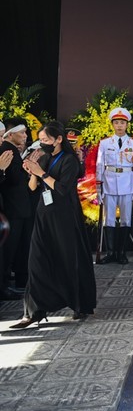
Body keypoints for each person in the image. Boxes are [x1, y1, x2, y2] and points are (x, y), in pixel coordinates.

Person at [12, 121, 96, 328]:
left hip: (64, 216)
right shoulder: (45, 157)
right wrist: (32, 171)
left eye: (46, 140)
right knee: (37, 260)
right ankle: (33, 311)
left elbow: (62, 189)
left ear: (58, 139)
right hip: (44, 215)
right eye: (40, 140)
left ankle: (78, 303)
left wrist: (41, 173)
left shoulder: (69, 160)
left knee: (69, 259)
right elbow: (33, 188)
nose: (42, 144)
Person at [95, 107, 133, 264]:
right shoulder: (105, 143)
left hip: (127, 184)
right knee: (108, 220)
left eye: (122, 123)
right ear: (112, 125)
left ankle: (122, 253)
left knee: (125, 219)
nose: (119, 126)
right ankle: (111, 252)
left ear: (127, 124)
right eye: (116, 123)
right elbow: (100, 166)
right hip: (108, 183)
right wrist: (98, 188)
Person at [0, 117, 32, 298]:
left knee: (17, 247)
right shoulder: (7, 150)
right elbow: (12, 180)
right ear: (10, 135)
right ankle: (3, 285)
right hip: (13, 208)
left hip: (18, 207)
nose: (25, 136)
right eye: (22, 133)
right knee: (9, 248)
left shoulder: (11, 149)